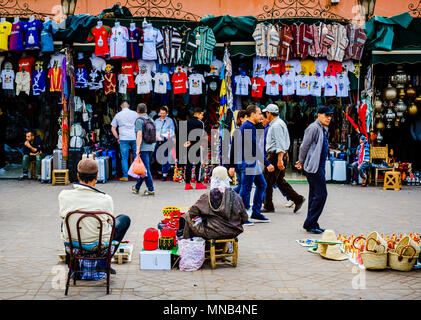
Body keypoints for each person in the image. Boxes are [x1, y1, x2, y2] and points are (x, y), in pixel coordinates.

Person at [58, 159, 131, 273]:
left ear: (78, 176)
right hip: (100, 247)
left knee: (65, 221)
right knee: (124, 219)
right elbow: (109, 221)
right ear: (97, 176)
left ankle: (73, 266)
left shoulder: (64, 195)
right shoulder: (105, 199)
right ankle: (104, 263)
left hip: (73, 245)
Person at [180, 166, 249, 239]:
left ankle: (188, 244)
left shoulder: (208, 196)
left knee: (187, 216)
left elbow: (192, 212)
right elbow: (244, 218)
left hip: (212, 232)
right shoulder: (236, 196)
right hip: (233, 231)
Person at [295, 105, 333, 234]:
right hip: (314, 167)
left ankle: (312, 223)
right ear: (319, 115)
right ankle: (310, 223)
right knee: (322, 194)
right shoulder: (313, 128)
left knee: (314, 194)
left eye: (330, 116)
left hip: (318, 165)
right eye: (326, 115)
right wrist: (301, 161)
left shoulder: (322, 128)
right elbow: (304, 146)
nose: (329, 118)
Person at [262, 104, 306, 213]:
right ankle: (298, 199)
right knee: (279, 181)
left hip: (276, 155)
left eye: (266, 112)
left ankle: (268, 206)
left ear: (269, 113)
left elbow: (280, 143)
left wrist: (279, 159)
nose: (265, 114)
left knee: (267, 181)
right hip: (278, 154)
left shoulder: (276, 125)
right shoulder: (278, 123)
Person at [238, 104, 274, 223]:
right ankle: (242, 216)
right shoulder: (247, 127)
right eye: (259, 114)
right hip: (247, 162)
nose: (261, 116)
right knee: (246, 188)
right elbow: (254, 147)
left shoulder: (251, 126)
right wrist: (267, 163)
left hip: (251, 161)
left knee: (262, 184)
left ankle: (256, 213)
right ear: (252, 114)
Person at [111, 100, 139, 181]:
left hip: (123, 138)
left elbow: (113, 128)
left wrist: (117, 137)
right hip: (134, 137)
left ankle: (125, 176)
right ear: (129, 105)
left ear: (121, 106)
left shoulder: (118, 115)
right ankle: (137, 175)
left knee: (124, 157)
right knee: (136, 156)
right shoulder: (135, 114)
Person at [132, 103, 156, 196]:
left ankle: (151, 189)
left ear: (137, 111)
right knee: (144, 168)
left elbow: (139, 134)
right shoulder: (151, 119)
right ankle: (137, 187)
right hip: (151, 147)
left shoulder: (139, 120)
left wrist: (137, 148)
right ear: (146, 110)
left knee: (145, 169)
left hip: (143, 147)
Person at [184, 107, 207, 190]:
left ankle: (187, 184)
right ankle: (198, 183)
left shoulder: (187, 122)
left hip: (189, 144)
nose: (202, 116)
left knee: (189, 164)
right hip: (197, 145)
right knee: (198, 164)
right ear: (197, 114)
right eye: (201, 115)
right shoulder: (200, 123)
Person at [228, 110, 247, 194]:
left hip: (243, 162)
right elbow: (233, 149)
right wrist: (231, 166)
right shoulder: (238, 131)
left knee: (241, 185)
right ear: (241, 119)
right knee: (243, 185)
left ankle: (227, 197)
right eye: (247, 117)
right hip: (240, 163)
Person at [154, 106, 176, 181]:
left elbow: (172, 131)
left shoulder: (169, 120)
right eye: (161, 113)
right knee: (157, 157)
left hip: (165, 140)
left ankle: (164, 174)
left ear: (166, 113)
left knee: (164, 157)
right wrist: (157, 136)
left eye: (164, 113)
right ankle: (159, 172)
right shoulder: (156, 121)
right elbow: (154, 130)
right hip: (157, 140)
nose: (162, 114)